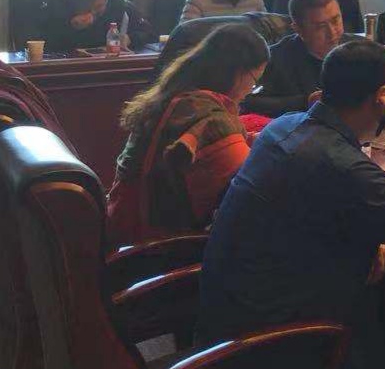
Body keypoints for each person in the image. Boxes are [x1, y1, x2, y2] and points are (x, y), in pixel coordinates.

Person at [197, 40, 385, 369]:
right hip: (270, 356)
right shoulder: (337, 162)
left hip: (228, 329)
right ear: (382, 97)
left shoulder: (284, 128)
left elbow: (317, 213)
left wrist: (368, 240)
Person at [108, 24, 268, 246]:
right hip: (156, 248)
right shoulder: (211, 120)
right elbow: (247, 194)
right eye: (254, 81)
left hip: (121, 224)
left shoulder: (175, 97)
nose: (250, 90)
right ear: (238, 73)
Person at [242, 0, 344, 116]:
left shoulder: (357, 49)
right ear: (298, 29)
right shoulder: (273, 60)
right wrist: (305, 102)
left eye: (335, 20)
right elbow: (246, 101)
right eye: (320, 26)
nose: (332, 32)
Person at [41, 0, 152, 52]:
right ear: (73, 0)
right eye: (86, 7)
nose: (92, 12)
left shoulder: (117, 4)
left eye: (99, 6)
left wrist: (130, 38)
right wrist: (70, 27)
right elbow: (43, 44)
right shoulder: (58, 5)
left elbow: (148, 34)